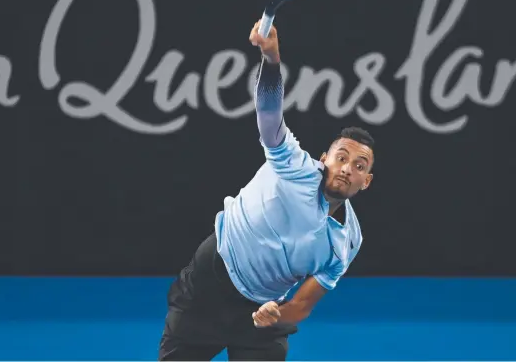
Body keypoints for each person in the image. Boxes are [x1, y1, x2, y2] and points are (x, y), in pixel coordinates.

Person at [158, 21, 375, 361]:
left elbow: (301, 305)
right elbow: (269, 113)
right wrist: (271, 59)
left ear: (366, 181)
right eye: (342, 158)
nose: (348, 168)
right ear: (324, 159)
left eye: (359, 166)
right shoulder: (293, 165)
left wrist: (276, 315)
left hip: (262, 315)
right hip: (209, 284)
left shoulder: (347, 241)